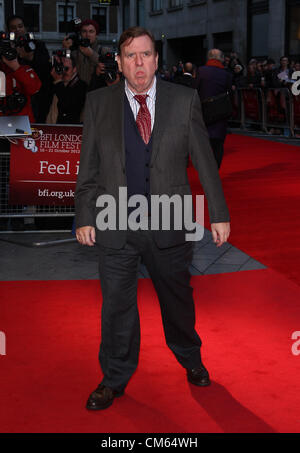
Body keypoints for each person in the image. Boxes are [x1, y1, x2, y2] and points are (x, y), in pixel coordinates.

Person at [75, 27, 230, 411]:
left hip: (169, 219)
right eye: (130, 56)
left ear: (157, 61)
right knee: (116, 307)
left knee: (177, 301)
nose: (139, 63)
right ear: (120, 62)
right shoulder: (98, 103)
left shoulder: (184, 100)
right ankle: (114, 377)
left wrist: (218, 212)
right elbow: (88, 166)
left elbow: (205, 161)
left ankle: (191, 360)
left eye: (145, 55)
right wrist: (85, 215)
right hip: (115, 223)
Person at [6, 15, 52, 123]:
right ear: (9, 31)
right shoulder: (7, 48)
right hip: (16, 96)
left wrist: (30, 57)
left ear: (25, 28)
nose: (17, 30)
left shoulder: (38, 45)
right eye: (13, 28)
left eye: (20, 26)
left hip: (39, 96)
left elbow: (45, 69)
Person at [195, 48, 233, 169]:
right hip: (220, 112)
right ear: (220, 58)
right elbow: (229, 93)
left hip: (204, 111)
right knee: (217, 144)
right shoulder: (226, 74)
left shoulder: (201, 71)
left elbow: (196, 89)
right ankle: (215, 171)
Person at [62, 19, 105, 89]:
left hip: (96, 91)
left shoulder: (103, 50)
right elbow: (66, 64)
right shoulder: (75, 51)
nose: (87, 35)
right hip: (78, 93)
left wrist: (92, 54)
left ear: (96, 34)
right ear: (80, 34)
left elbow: (107, 67)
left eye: (91, 31)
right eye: (84, 31)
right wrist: (66, 49)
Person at [47, 55, 87, 124]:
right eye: (61, 68)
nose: (63, 72)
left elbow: (67, 106)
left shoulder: (81, 86)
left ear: (74, 69)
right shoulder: (55, 84)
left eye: (66, 69)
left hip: (71, 130)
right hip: (53, 129)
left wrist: (58, 82)